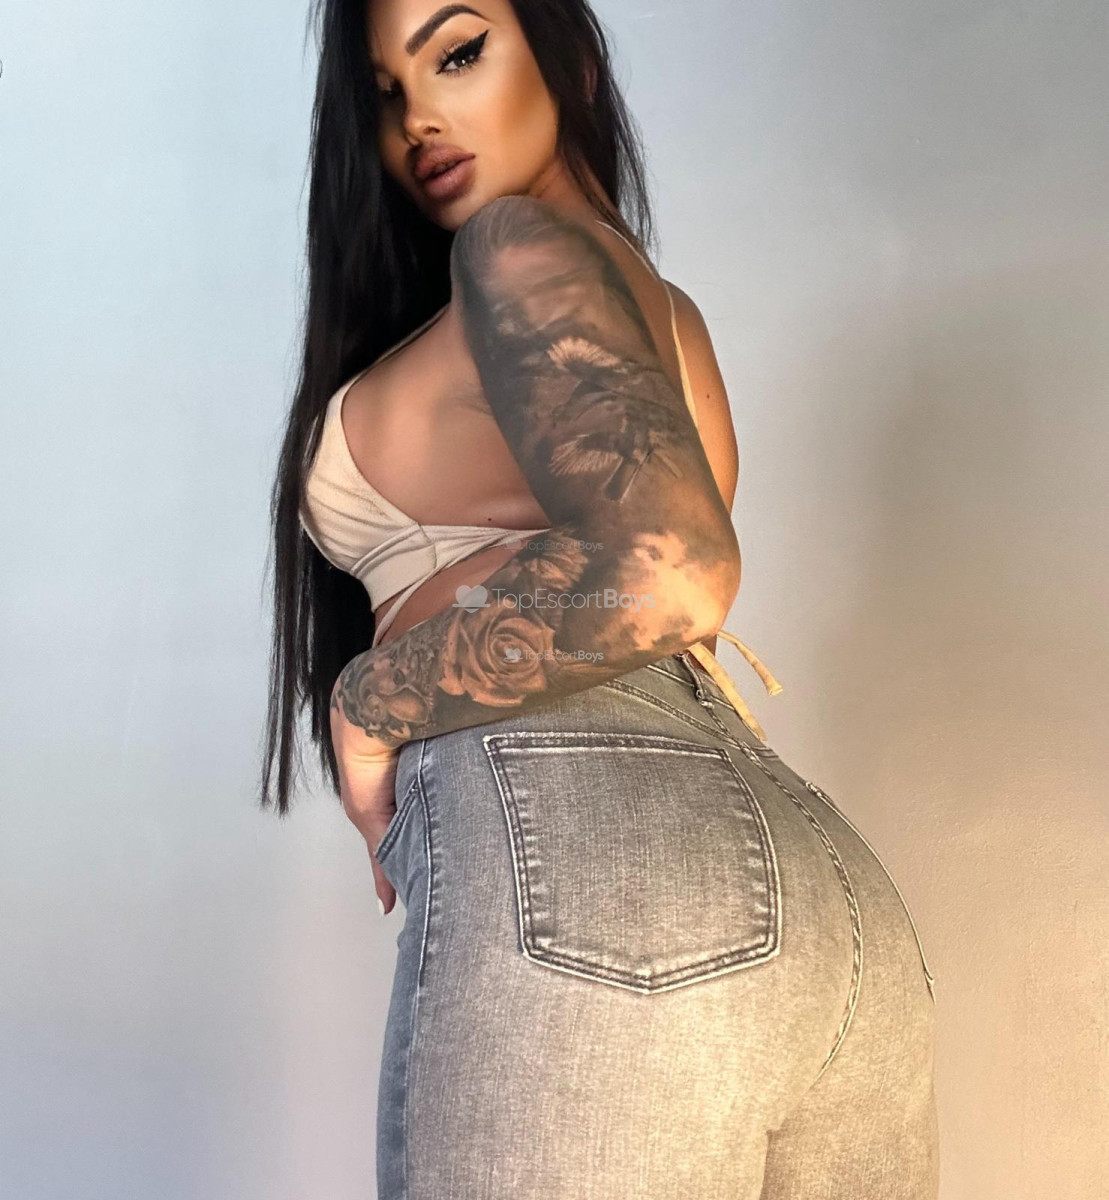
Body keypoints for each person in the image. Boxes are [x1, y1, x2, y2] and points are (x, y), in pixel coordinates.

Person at [260, 0, 940, 1195]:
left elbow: (667, 566)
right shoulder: (660, 309)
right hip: (826, 911)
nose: (418, 120)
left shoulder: (514, 247)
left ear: (567, 57)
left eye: (457, 52)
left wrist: (367, 704)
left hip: (598, 866)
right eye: (383, 96)